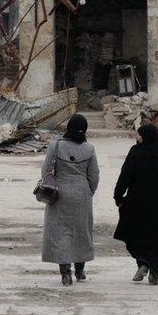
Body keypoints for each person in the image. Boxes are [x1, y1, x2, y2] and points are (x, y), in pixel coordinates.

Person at [113, 124, 158, 285]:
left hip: (137, 203)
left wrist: (118, 196)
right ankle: (155, 272)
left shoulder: (135, 153)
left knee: (136, 235)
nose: (137, 138)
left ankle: (143, 262)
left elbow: (125, 175)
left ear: (145, 137)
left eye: (139, 135)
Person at [41, 113, 100, 286]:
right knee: (81, 232)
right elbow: (94, 175)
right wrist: (89, 192)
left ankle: (65, 273)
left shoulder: (56, 146)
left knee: (60, 233)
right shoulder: (89, 149)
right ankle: (80, 270)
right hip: (82, 194)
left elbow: (46, 171)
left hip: (59, 194)